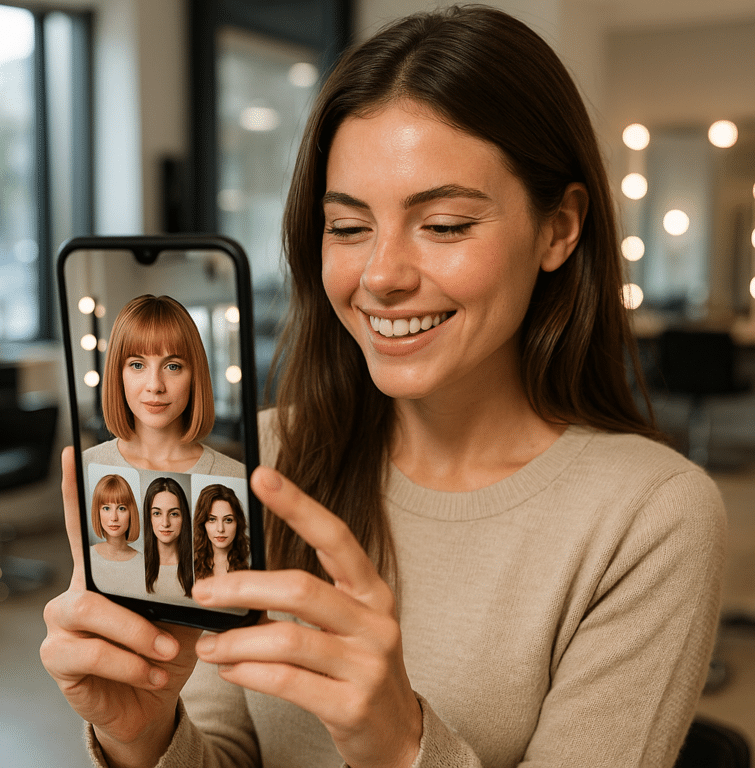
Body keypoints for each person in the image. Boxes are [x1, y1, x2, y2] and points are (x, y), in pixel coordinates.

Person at [41, 6, 726, 768]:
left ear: (558, 228)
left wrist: (402, 744)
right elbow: (224, 752)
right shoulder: (261, 458)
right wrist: (143, 736)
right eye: (347, 226)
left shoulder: (651, 518)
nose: (381, 277)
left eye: (445, 225)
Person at [83, 293, 244, 476]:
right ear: (118, 375)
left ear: (194, 376)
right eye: (137, 365)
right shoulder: (86, 467)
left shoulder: (235, 476)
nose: (155, 385)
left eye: (172, 366)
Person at [88, 473, 145, 597]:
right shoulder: (88, 556)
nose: (114, 518)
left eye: (121, 508)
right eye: (107, 508)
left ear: (131, 512)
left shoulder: (142, 562)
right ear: (97, 512)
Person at [143, 476, 193, 599]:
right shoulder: (136, 564)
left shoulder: (198, 567)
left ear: (184, 517)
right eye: (157, 513)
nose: (165, 523)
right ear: (149, 518)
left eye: (174, 514)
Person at [193, 484, 250, 581]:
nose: (220, 529)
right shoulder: (191, 564)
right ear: (203, 523)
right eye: (212, 519)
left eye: (228, 520)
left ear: (238, 523)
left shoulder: (252, 565)